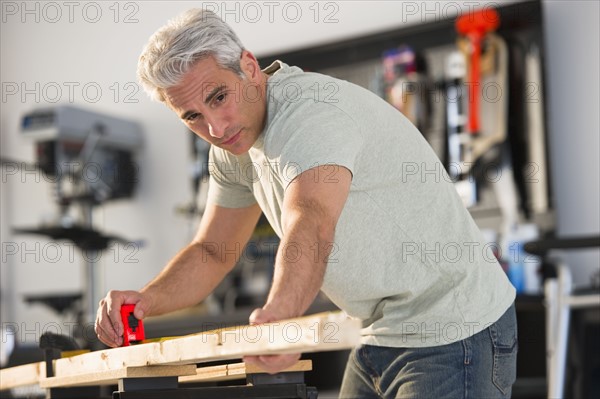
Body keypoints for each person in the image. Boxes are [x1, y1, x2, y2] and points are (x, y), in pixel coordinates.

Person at [95, 9, 517, 398]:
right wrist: (145, 301)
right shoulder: (232, 149)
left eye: (218, 97)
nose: (215, 127)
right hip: (379, 333)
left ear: (248, 66)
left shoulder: (309, 113)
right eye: (191, 116)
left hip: (455, 329)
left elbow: (311, 220)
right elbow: (212, 251)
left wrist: (279, 321)